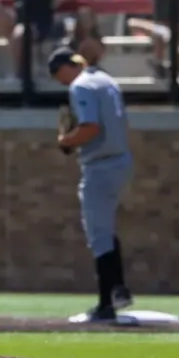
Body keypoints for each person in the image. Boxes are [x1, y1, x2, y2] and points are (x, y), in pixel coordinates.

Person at [48, 48, 134, 323]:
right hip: (120, 159)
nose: (61, 82)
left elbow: (90, 127)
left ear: (64, 67)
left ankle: (105, 304)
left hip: (101, 164)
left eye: (57, 74)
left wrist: (66, 141)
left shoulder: (81, 85)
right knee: (105, 228)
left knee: (98, 233)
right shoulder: (105, 79)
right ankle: (119, 290)